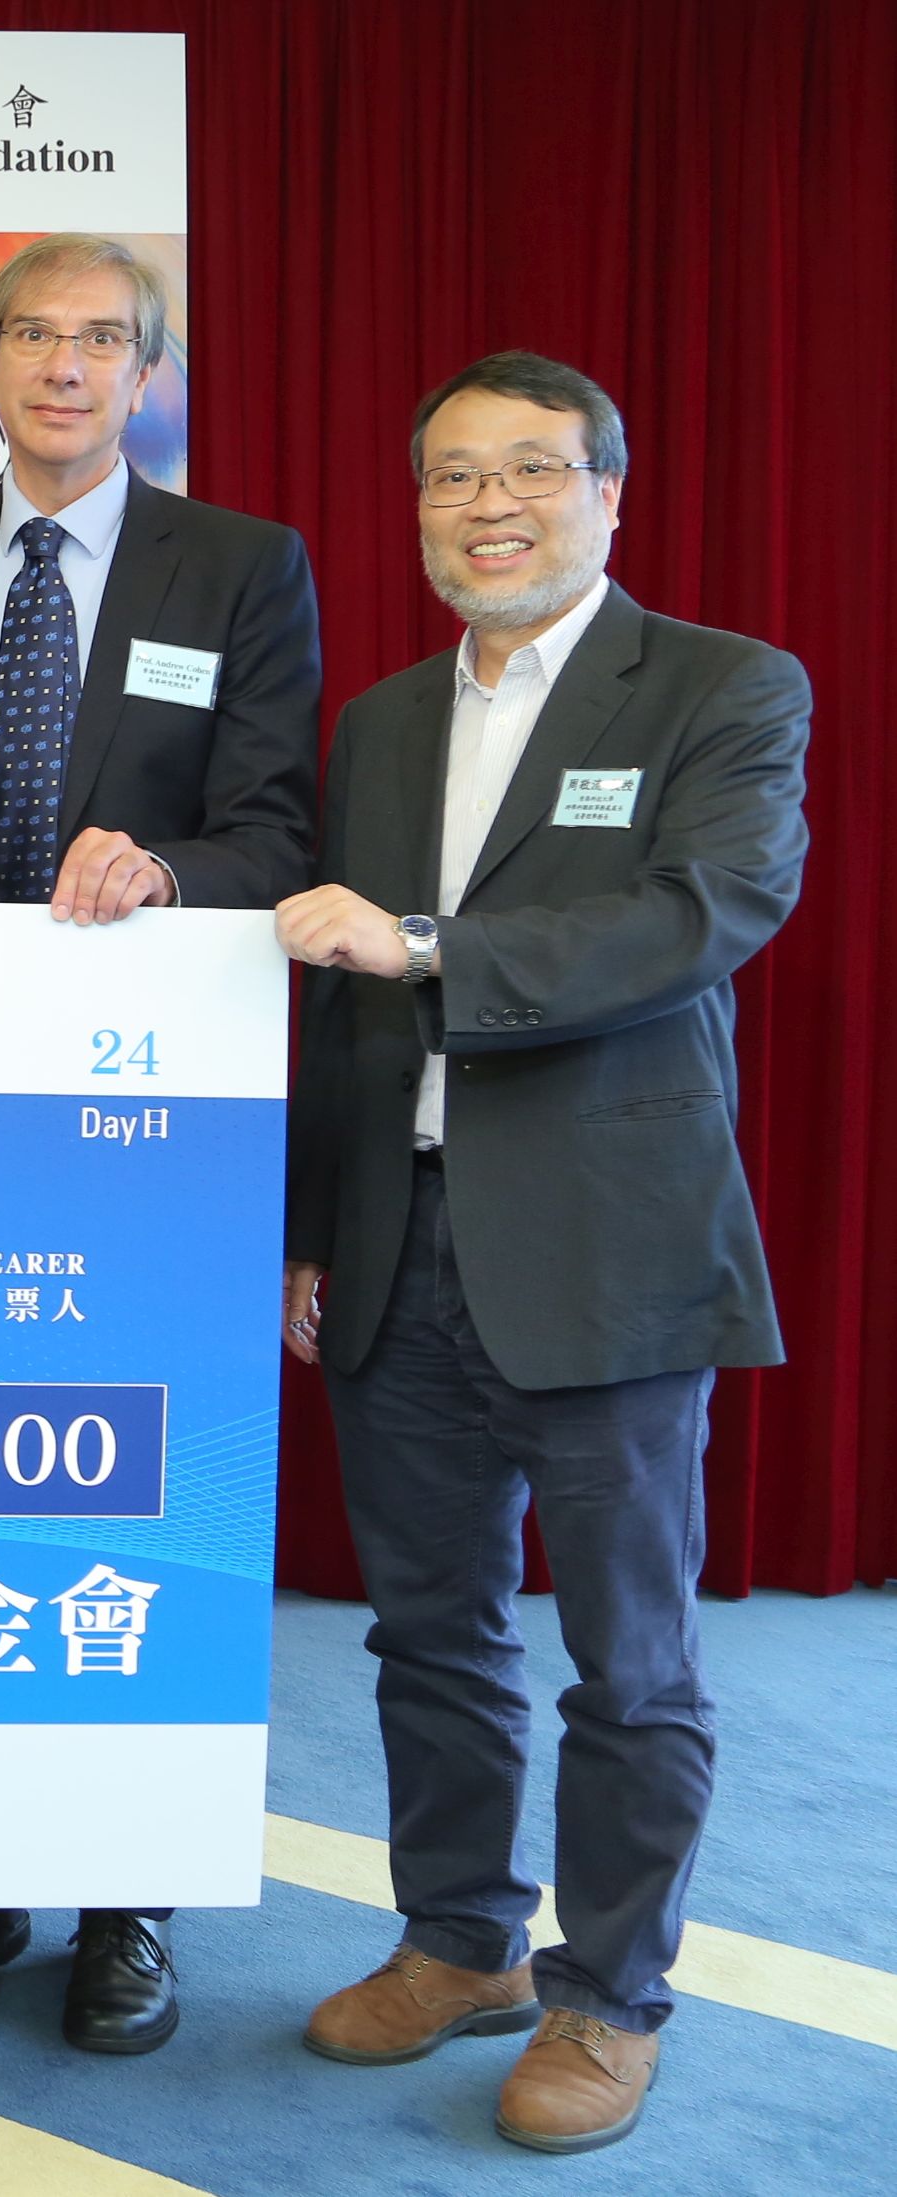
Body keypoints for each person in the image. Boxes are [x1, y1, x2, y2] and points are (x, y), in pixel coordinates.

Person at [276, 352, 808, 2156]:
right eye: (446, 477)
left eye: (525, 469)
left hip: (603, 1255)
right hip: (395, 1250)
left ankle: (607, 1996)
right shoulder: (375, 723)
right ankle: (459, 1941)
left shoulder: (722, 687)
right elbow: (333, 1013)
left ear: (606, 492)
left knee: (626, 1662)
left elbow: (700, 914)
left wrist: (432, 947)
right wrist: (307, 1231)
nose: (484, 503)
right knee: (425, 1633)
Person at [0, 232, 323, 2053]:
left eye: (100, 340)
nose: (62, 366)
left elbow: (279, 832)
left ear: (146, 375)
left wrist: (166, 874)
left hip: (154, 1108)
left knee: (146, 1482)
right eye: (31, 335)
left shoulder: (243, 564)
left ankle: (126, 1900)